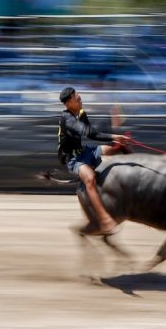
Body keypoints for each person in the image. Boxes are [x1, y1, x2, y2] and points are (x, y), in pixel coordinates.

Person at [58, 86, 129, 236]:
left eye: (77, 94)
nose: (79, 96)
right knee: (89, 179)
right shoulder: (67, 119)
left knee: (120, 147)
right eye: (75, 96)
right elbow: (87, 132)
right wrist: (113, 136)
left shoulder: (81, 113)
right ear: (68, 103)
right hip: (74, 159)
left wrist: (116, 139)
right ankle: (105, 221)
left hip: (86, 151)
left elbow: (93, 135)